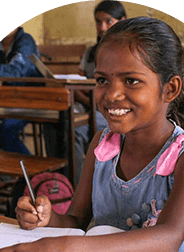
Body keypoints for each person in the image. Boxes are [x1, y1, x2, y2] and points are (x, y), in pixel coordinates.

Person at [0, 17, 184, 252]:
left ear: (169, 89)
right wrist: (47, 219)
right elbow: (76, 220)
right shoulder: (102, 145)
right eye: (102, 80)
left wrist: (66, 249)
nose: (111, 95)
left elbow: (168, 240)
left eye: (131, 81)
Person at [44, 1, 127, 185]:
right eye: (98, 22)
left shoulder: (127, 53)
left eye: (109, 21)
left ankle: (77, 188)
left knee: (73, 130)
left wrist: (92, 99)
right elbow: (78, 81)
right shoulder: (91, 52)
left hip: (109, 110)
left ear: (123, 20)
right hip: (86, 104)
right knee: (52, 123)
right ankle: (57, 181)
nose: (102, 27)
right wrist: (87, 98)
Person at [0, 27, 42, 155]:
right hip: (8, 100)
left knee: (5, 133)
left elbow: (15, 71)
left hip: (31, 100)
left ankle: (30, 174)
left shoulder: (25, 41)